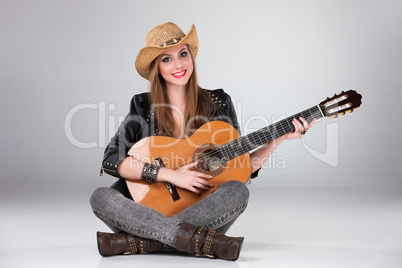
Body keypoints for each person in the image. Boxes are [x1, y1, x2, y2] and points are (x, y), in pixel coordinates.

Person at [90, 22, 315, 261]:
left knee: (237, 191)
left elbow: (241, 167)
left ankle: (142, 242)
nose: (178, 65)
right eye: (166, 59)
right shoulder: (143, 105)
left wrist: (275, 141)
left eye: (183, 54)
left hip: (201, 210)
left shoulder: (219, 102)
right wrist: (171, 175)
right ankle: (204, 243)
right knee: (101, 197)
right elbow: (112, 159)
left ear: (191, 57)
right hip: (147, 209)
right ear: (156, 68)